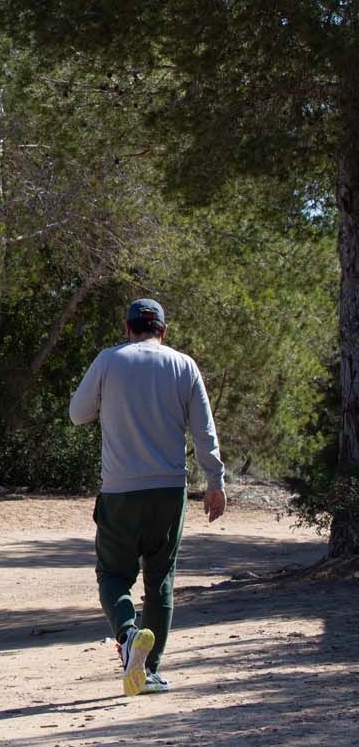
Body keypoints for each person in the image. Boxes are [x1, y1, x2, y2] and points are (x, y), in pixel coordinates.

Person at [69, 298, 226, 698]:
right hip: (169, 491)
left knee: (113, 575)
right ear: (163, 331)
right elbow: (204, 429)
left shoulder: (108, 361)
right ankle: (150, 670)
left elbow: (77, 414)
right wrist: (215, 481)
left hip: (120, 490)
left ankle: (127, 635)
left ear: (127, 328)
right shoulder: (183, 364)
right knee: (161, 582)